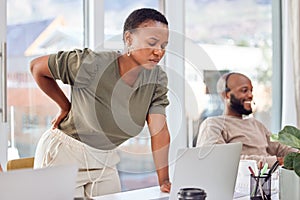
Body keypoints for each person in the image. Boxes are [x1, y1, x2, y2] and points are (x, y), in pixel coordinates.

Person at [30, 8, 171, 198]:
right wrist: (65, 106)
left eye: (164, 45)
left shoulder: (157, 78)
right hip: (65, 155)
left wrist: (164, 181)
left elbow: (159, 131)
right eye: (152, 42)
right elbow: (37, 67)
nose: (158, 51)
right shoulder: (94, 64)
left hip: (106, 160)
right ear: (129, 39)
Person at [196, 72, 299, 167]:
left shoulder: (257, 125)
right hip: (243, 183)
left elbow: (282, 148)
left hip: (269, 181)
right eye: (244, 90)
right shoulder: (213, 124)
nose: (250, 95)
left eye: (251, 90)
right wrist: (276, 161)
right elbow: (219, 160)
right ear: (226, 95)